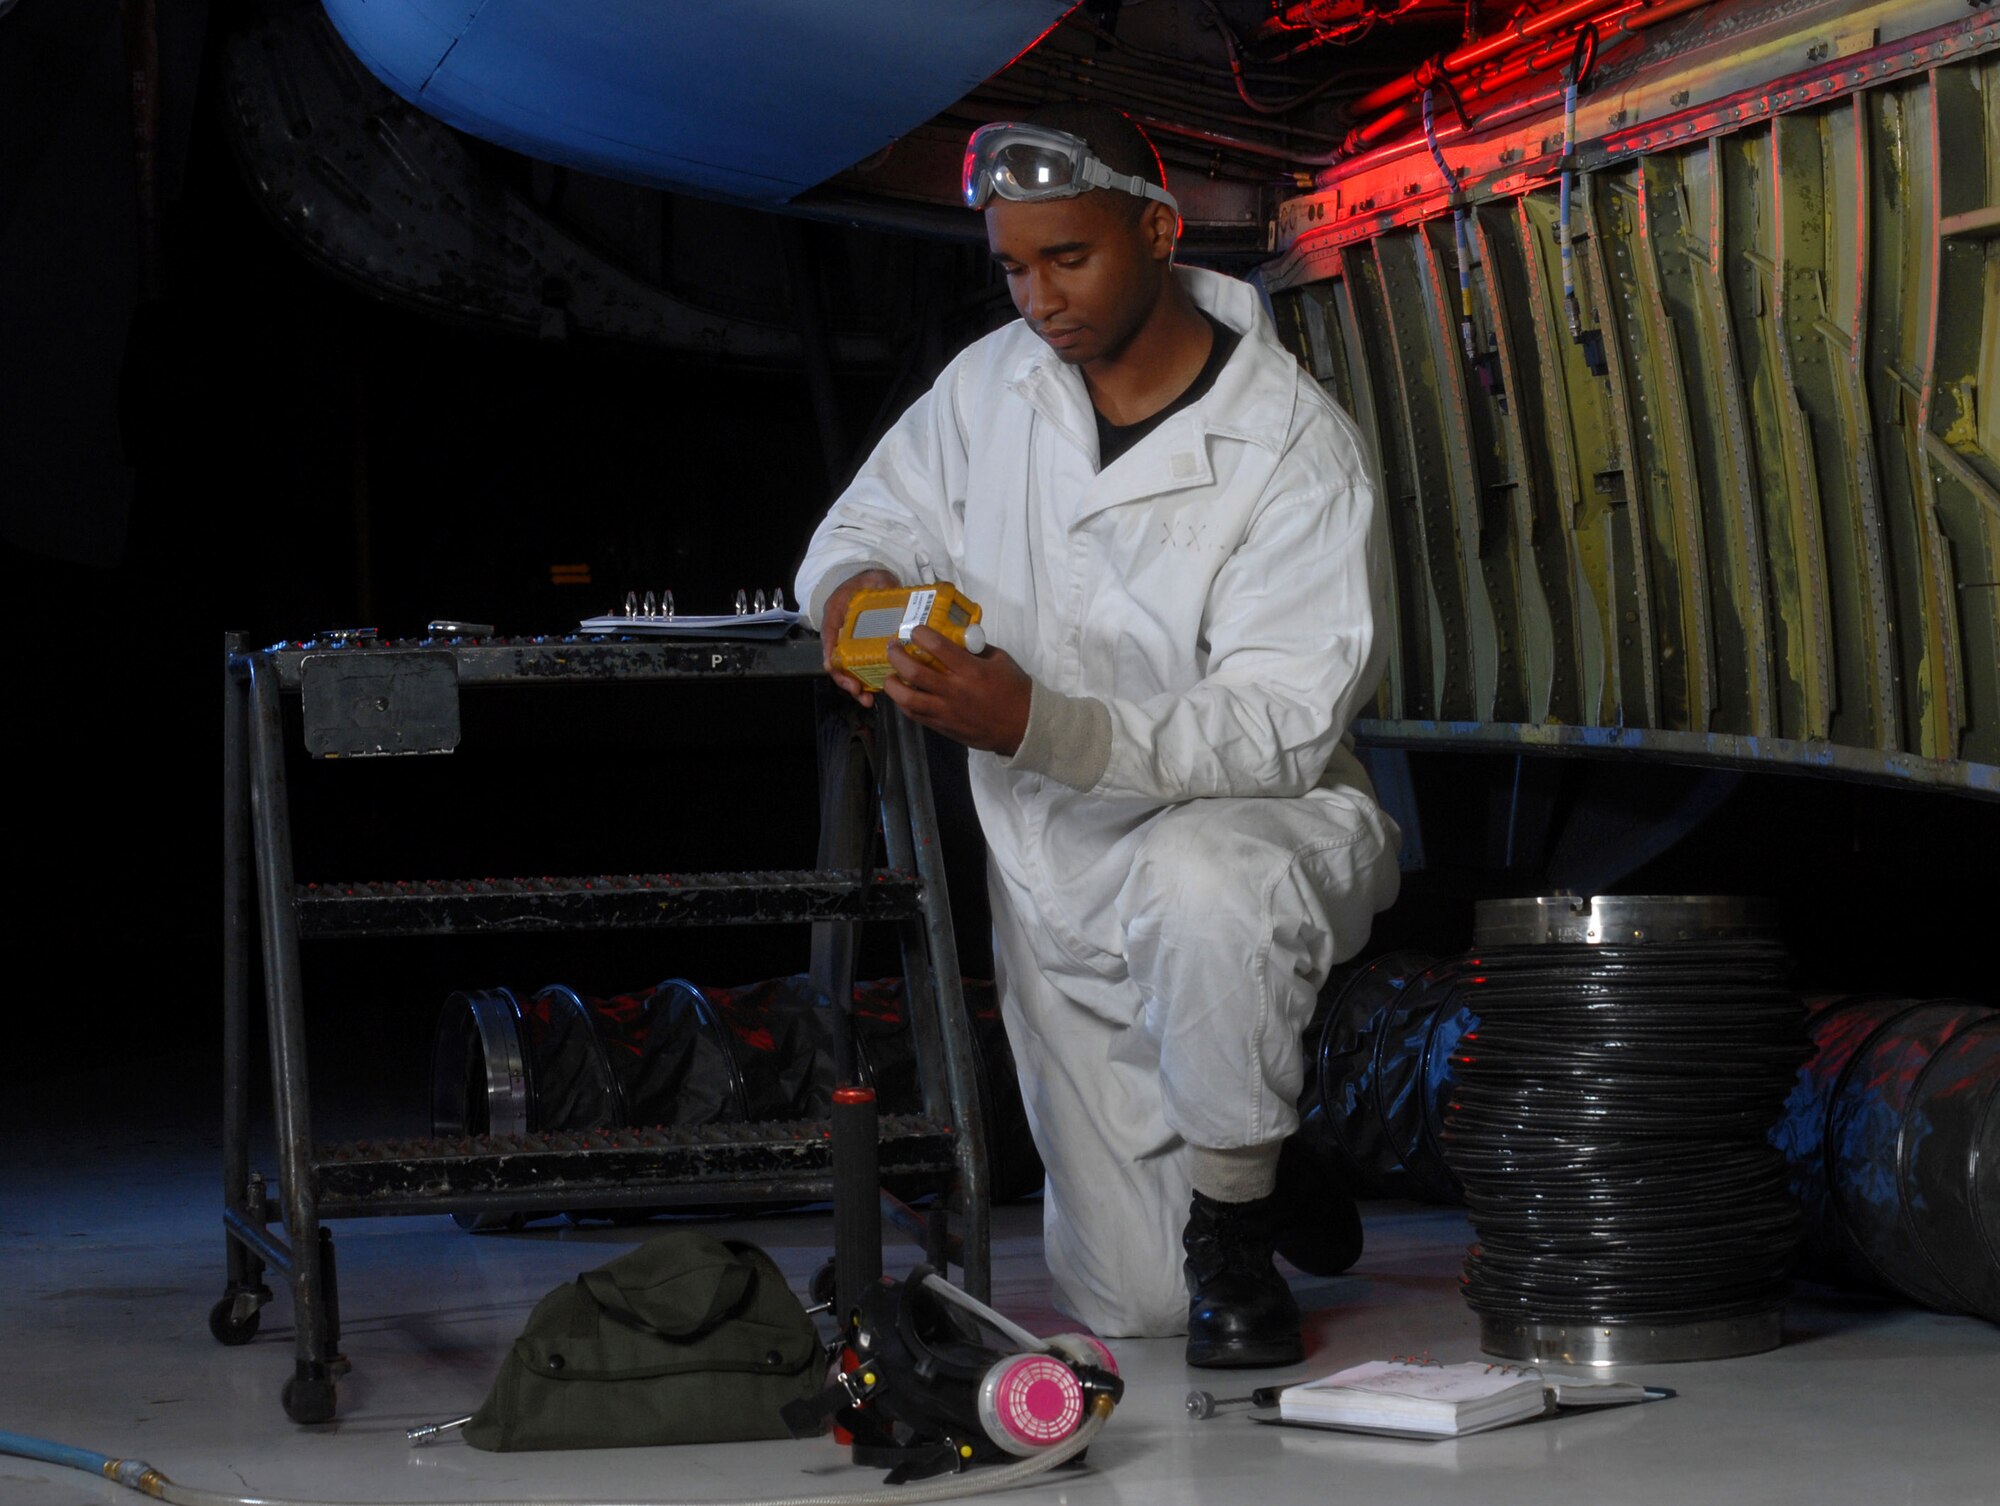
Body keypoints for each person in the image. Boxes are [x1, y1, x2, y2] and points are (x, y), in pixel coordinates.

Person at [793, 102, 1400, 1368]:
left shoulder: (1289, 448)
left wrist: (1035, 723)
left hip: (1254, 830)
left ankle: (1238, 1227)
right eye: (1012, 266)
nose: (1038, 298)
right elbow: (864, 526)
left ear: (1158, 232)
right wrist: (857, 604)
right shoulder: (990, 387)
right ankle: (1266, 1158)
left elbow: (1280, 722)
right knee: (1134, 1308)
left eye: (1067, 258)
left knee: (1203, 881)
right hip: (1055, 876)